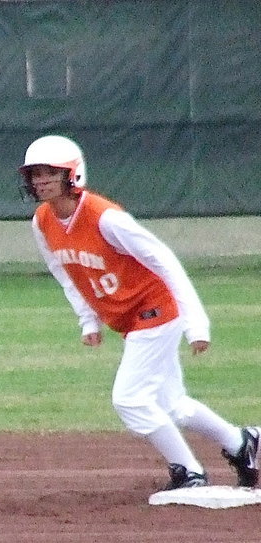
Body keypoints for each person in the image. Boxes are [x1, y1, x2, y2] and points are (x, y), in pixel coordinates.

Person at [20, 134, 258, 491]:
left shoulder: (105, 218)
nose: (40, 181)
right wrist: (87, 318)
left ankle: (189, 470)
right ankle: (243, 444)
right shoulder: (42, 222)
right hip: (128, 319)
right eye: (34, 174)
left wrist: (196, 323)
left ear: (72, 175)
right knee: (172, 405)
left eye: (49, 173)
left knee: (130, 399)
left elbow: (164, 260)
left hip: (155, 310)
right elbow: (65, 271)